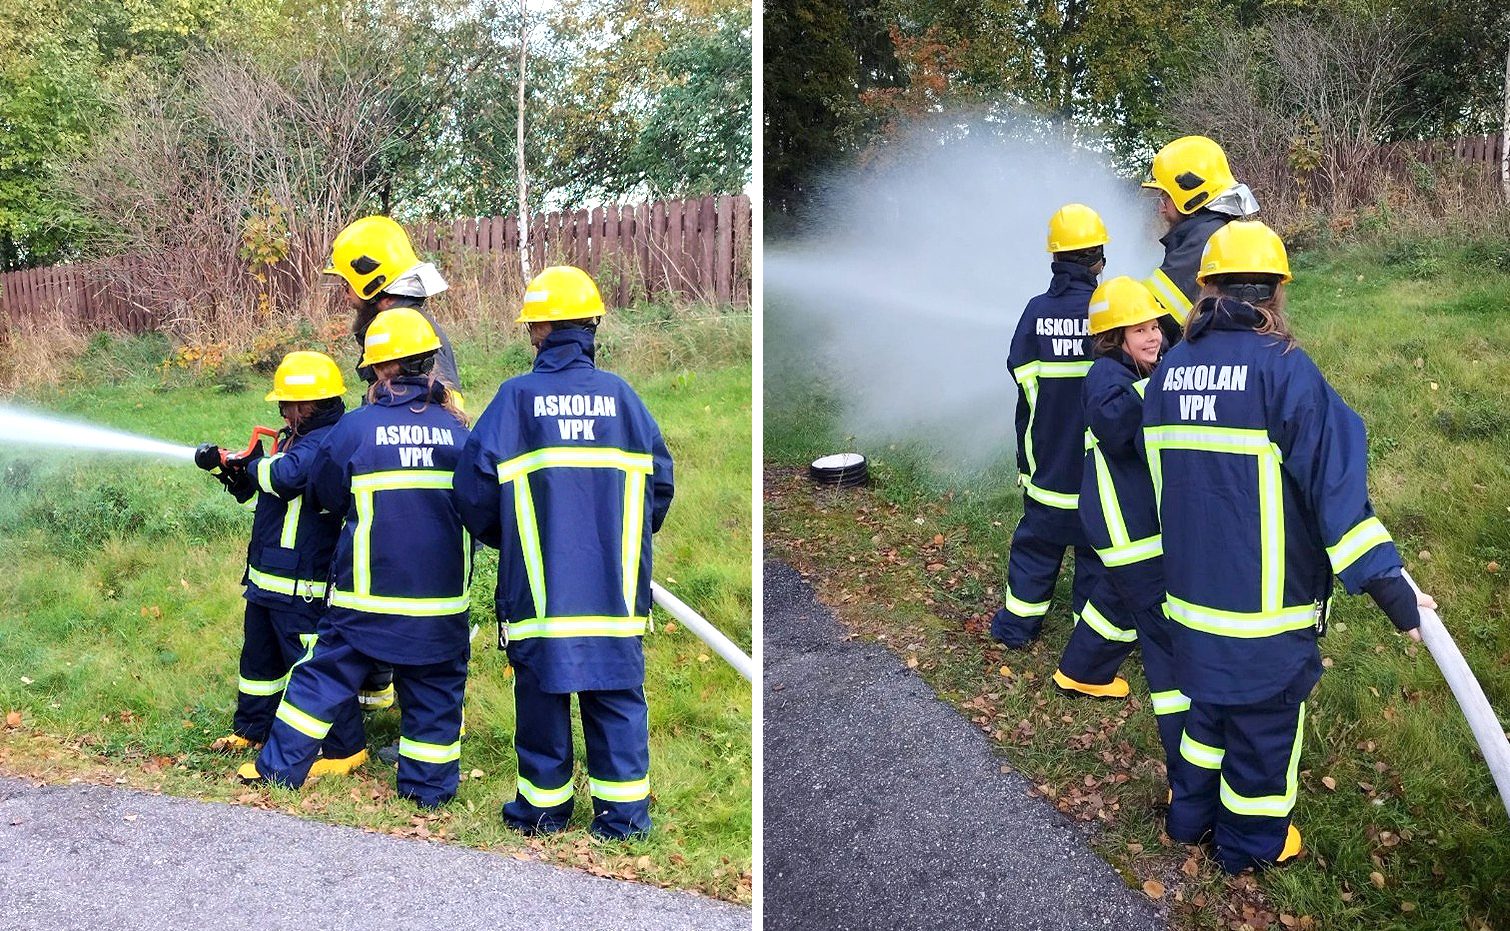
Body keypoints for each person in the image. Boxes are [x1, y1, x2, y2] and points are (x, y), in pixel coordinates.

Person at [1142, 220, 1435, 873]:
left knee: (1206, 719)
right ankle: (1251, 844)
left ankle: (1189, 820)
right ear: (1275, 293)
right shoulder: (1285, 371)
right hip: (1263, 618)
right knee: (1263, 737)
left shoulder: (1169, 372)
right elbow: (1337, 490)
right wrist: (1394, 589)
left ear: (1205, 288)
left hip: (1190, 604)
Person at [454, 265, 674, 840]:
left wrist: (515, 537)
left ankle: (543, 812)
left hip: (538, 586)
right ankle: (624, 819)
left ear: (536, 332)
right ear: (591, 325)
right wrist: (618, 536)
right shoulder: (624, 399)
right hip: (614, 587)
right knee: (618, 695)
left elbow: (472, 491)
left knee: (540, 695)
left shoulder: (515, 400)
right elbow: (660, 485)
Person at [239, 308, 474, 808]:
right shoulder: (461, 434)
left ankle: (279, 770)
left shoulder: (355, 429)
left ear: (377, 372)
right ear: (431, 364)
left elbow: (325, 493)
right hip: (439, 608)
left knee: (319, 679)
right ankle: (427, 791)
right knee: (434, 694)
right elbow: (481, 507)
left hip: (363, 601)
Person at [193, 351, 367, 776]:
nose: (283, 411)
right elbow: (257, 484)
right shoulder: (296, 437)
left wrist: (250, 465)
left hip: (300, 583)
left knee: (314, 668)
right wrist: (229, 468)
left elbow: (283, 478)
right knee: (259, 661)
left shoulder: (328, 438)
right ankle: (253, 727)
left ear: (311, 403)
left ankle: (345, 748)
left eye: (289, 403)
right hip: (269, 578)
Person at [323, 214, 465, 713]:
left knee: (396, 577)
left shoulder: (406, 330)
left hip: (416, 484)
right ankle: (377, 682)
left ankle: (431, 714)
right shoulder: (397, 325)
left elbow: (444, 410)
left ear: (373, 282)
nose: (344, 296)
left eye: (347, 285)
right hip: (401, 472)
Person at [1054, 278, 1189, 784]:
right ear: (1114, 336)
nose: (1154, 337)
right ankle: (1188, 749)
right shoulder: (1106, 379)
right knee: (1163, 630)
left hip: (1133, 525)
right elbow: (1125, 430)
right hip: (1127, 526)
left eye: (1156, 326)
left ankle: (1081, 673)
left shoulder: (1138, 369)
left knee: (1115, 597)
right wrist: (1162, 388)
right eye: (1141, 330)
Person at [990, 205, 1127, 690]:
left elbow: (1021, 373)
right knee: (1095, 557)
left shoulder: (1036, 311)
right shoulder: (1108, 311)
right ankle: (1084, 637)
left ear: (1054, 258)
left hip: (1047, 465)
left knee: (1036, 548)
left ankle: (1015, 628)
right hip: (1098, 474)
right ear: (1099, 259)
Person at [1139, 136, 1261, 345]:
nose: (1161, 209)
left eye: (1165, 198)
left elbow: (1151, 312)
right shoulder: (1216, 231)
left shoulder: (1203, 239)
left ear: (1189, 194)